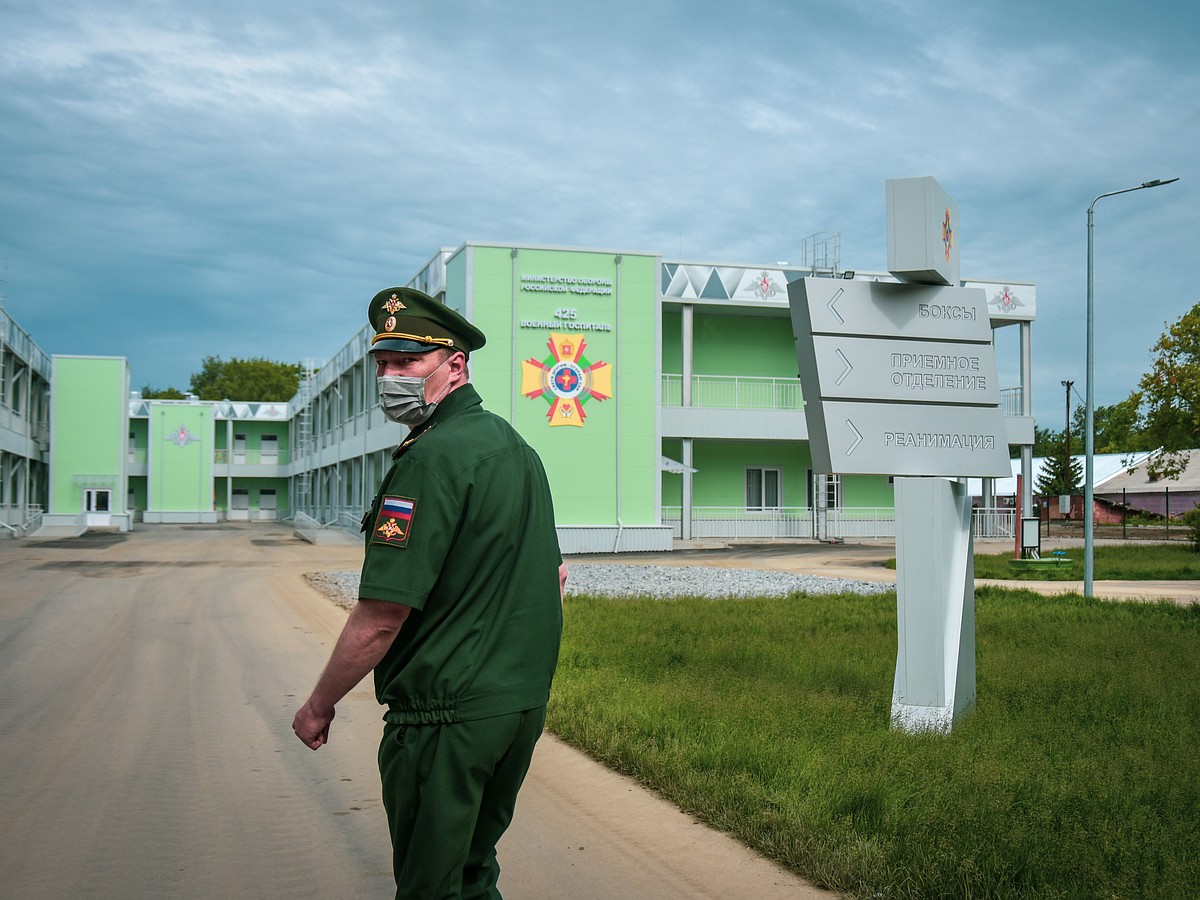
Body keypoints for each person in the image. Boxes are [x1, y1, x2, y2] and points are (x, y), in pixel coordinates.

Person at [293, 286, 566, 900]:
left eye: (408, 362)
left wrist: (319, 703)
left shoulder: (431, 459)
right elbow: (553, 575)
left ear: (454, 365)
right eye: (384, 364)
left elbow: (382, 616)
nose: (391, 376)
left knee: (430, 886)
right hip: (515, 707)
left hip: (446, 717)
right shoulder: (514, 449)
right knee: (471, 873)